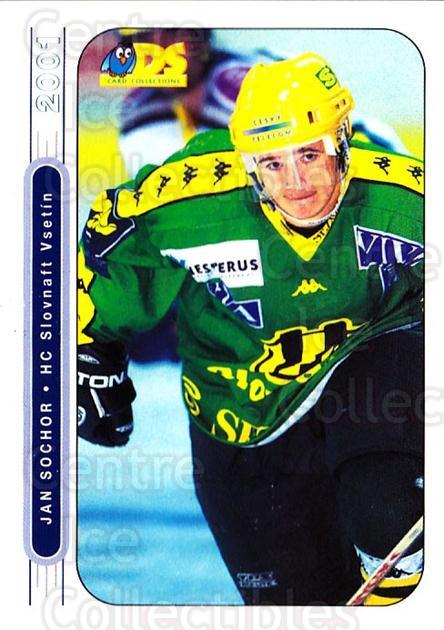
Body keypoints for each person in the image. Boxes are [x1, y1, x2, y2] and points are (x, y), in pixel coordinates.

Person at [78, 52, 424, 605]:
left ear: (343, 141)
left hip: (362, 370)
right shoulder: (192, 202)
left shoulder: (404, 199)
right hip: (239, 415)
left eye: (309, 154)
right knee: (295, 602)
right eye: (273, 164)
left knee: (386, 510)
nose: (297, 184)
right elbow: (115, 242)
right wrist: (89, 350)